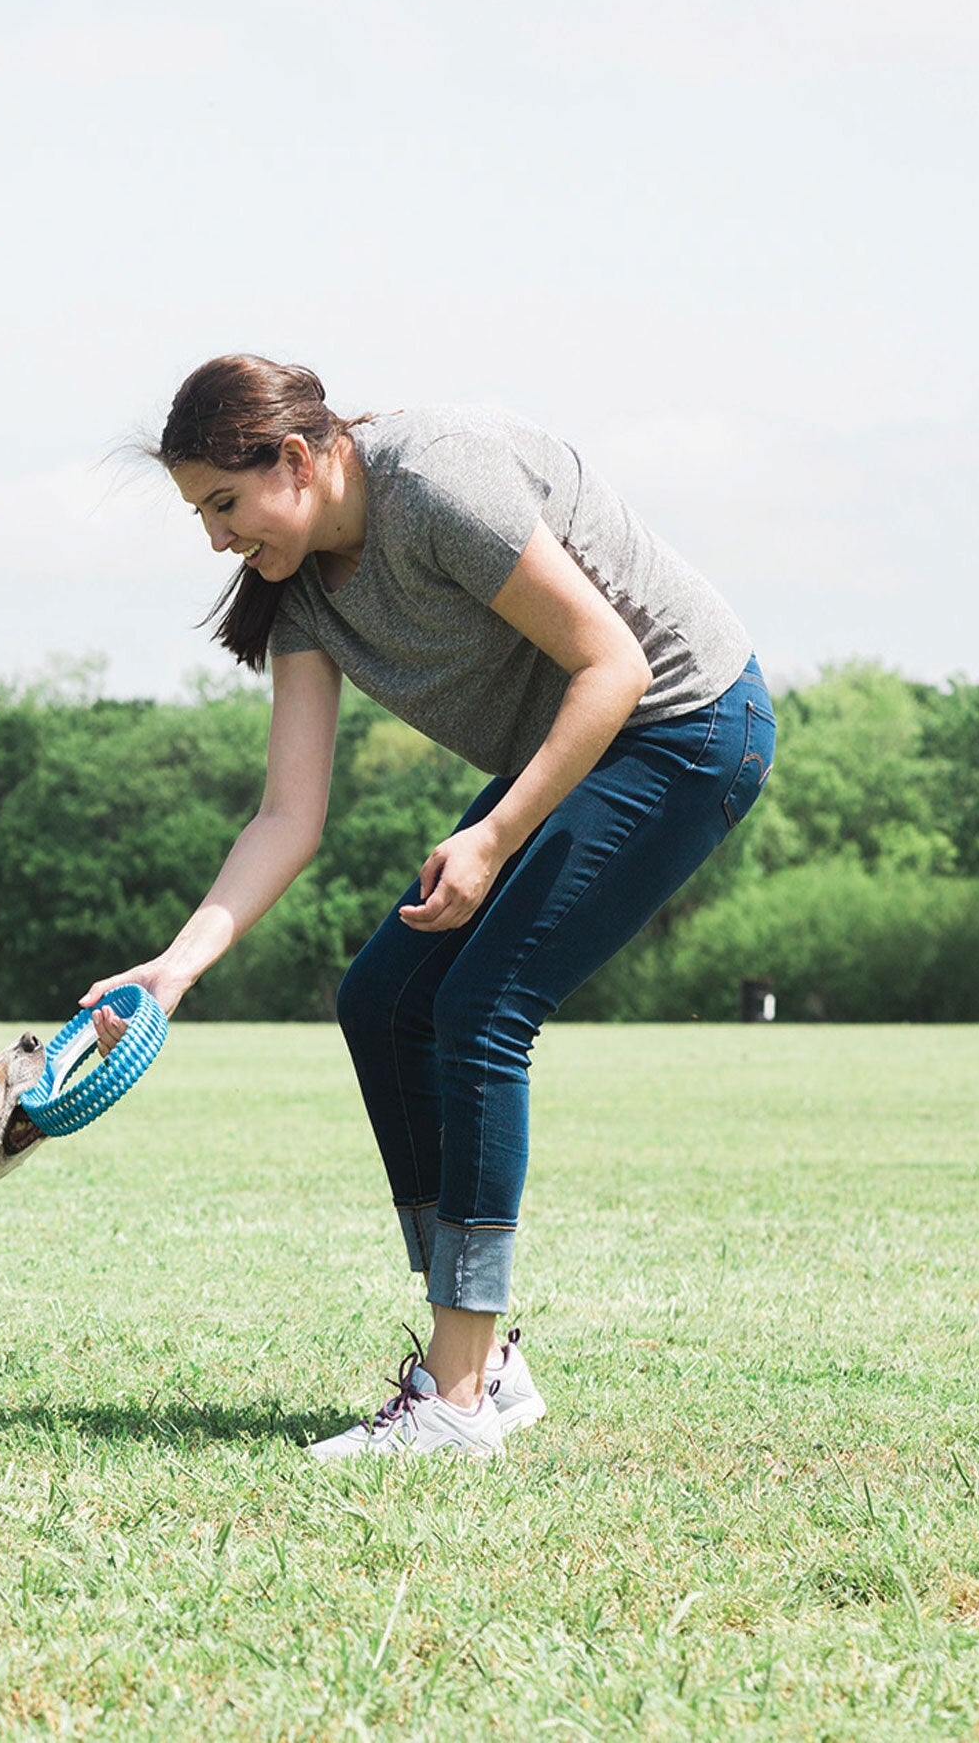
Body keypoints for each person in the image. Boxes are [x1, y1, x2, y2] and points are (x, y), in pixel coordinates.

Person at [81, 353, 774, 1459]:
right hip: (582, 747)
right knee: (383, 1000)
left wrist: (495, 836)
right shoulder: (300, 583)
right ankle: (483, 1363)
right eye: (199, 514)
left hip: (684, 725)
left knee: (482, 1009)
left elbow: (614, 665)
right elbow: (286, 818)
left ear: (297, 459)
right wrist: (176, 967)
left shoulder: (440, 481)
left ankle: (454, 1402)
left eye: (223, 502)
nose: (215, 538)